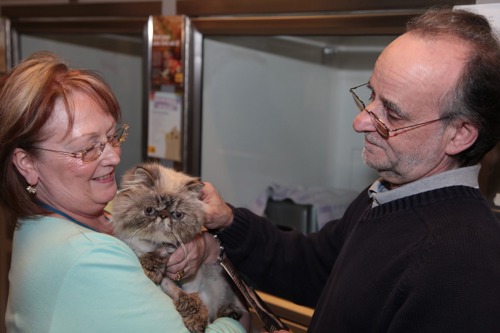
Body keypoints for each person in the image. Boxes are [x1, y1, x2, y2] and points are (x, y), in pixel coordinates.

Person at [170, 8, 500, 332]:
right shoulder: (388, 196)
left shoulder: (463, 262)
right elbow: (314, 268)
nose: (360, 122)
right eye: (371, 96)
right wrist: (228, 221)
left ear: (459, 135)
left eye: (393, 115)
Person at [0, 51, 246, 333]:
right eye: (87, 147)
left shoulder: (45, 221)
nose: (113, 157)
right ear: (27, 164)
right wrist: (235, 321)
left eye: (112, 136)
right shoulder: (89, 259)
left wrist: (204, 246)